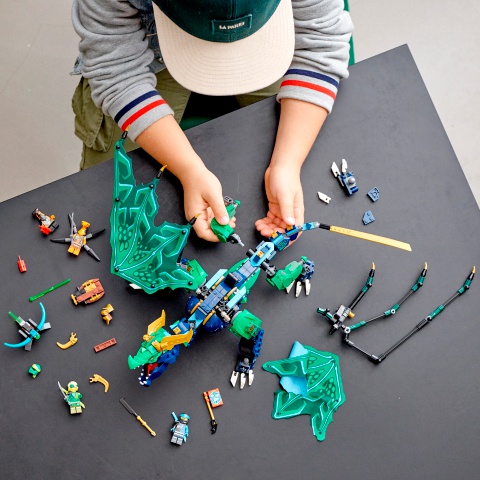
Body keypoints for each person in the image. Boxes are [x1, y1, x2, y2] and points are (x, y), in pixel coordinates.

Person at [71, 0, 353, 241]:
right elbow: (116, 71)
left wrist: (287, 165)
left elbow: (321, 45)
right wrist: (189, 170)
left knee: (305, 125)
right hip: (148, 46)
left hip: (268, 39)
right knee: (107, 184)